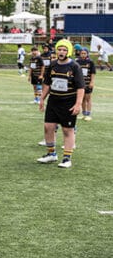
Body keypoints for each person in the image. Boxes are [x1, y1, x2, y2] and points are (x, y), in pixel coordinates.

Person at [37, 39, 84, 169]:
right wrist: (42, 98)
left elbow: (81, 87)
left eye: (64, 50)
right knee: (48, 126)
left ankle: (67, 158)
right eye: (59, 49)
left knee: (67, 130)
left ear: (68, 51)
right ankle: (51, 154)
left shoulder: (75, 66)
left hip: (68, 102)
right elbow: (47, 83)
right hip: (53, 101)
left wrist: (78, 104)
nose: (61, 52)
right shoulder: (52, 65)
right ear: (56, 50)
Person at [76, 46, 96, 121]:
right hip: (80, 83)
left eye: (85, 53)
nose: (83, 55)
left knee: (88, 98)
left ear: (87, 54)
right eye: (82, 53)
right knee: (82, 98)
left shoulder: (90, 62)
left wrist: (92, 81)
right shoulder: (77, 61)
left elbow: (93, 73)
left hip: (88, 82)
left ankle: (88, 114)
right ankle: (84, 114)